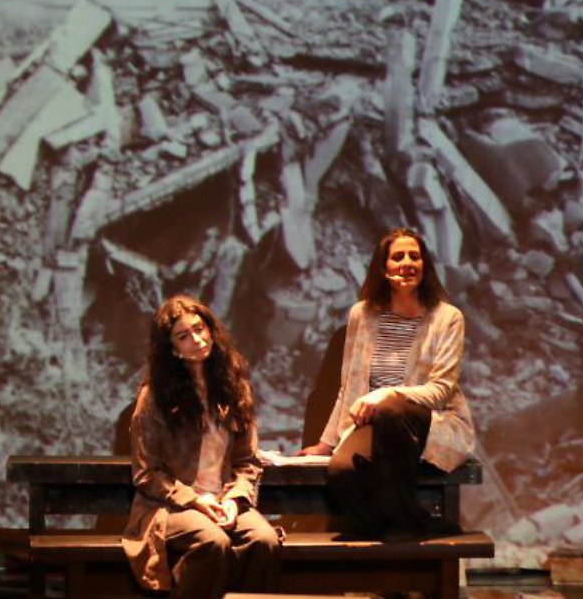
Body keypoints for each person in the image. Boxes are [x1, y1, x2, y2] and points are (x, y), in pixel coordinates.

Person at [298, 228, 476, 539]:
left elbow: (440, 390)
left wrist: (385, 394)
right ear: (383, 267)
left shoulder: (447, 317)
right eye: (398, 257)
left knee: (393, 409)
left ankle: (404, 529)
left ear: (425, 265)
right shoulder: (362, 314)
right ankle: (407, 526)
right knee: (342, 470)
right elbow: (348, 385)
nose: (407, 263)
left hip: (428, 422)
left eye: (415, 256)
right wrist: (327, 443)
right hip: (375, 422)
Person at [123, 295, 281, 599]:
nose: (196, 339)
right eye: (184, 336)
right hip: (170, 507)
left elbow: (246, 462)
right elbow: (146, 473)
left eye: (200, 329)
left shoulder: (234, 387)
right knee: (212, 541)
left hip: (223, 499)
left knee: (264, 540)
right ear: (172, 349)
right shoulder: (155, 396)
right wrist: (195, 500)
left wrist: (235, 498)